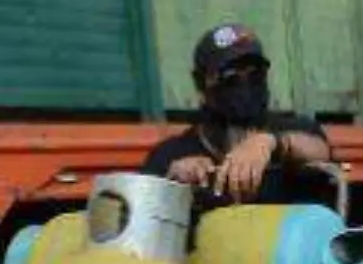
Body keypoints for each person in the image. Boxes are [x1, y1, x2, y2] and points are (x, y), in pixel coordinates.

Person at [143, 24, 335, 204]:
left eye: (256, 75)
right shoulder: (170, 155)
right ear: (201, 87)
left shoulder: (293, 130)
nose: (245, 87)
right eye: (230, 77)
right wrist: (171, 187)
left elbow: (320, 151)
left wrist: (271, 143)